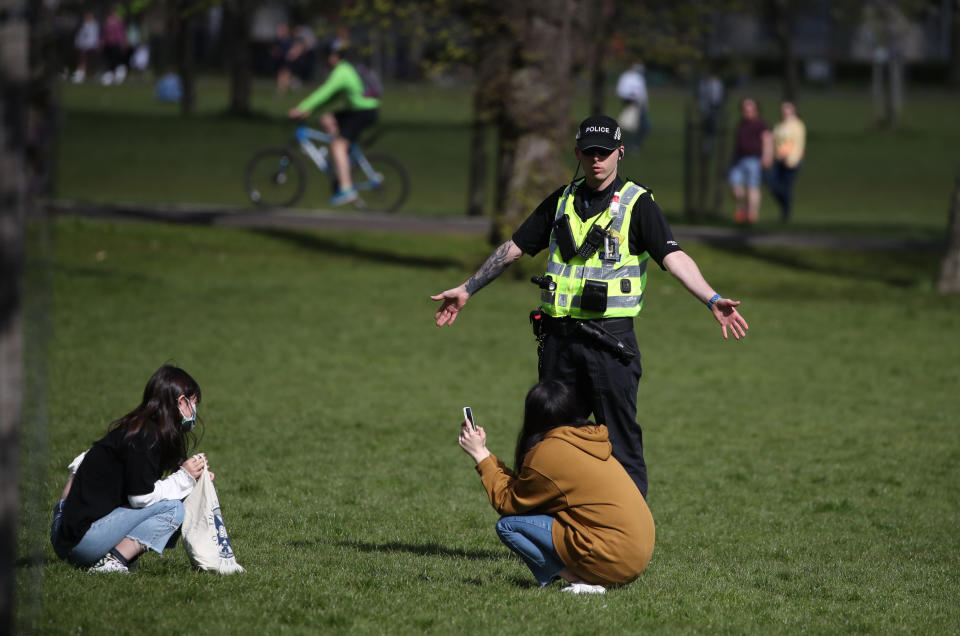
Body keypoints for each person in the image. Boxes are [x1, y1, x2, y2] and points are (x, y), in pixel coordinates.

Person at [432, 115, 749, 499]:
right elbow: (514, 248)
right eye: (589, 152)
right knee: (547, 441)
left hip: (609, 343)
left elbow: (674, 257)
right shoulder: (561, 200)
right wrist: (468, 288)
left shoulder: (638, 204)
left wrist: (712, 298)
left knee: (619, 441)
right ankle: (555, 528)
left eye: (605, 152)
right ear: (577, 153)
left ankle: (629, 536)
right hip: (558, 341)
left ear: (620, 152)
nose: (597, 159)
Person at [458, 380, 655, 594]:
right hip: (636, 557)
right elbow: (524, 488)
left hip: (611, 560)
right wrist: (485, 453)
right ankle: (589, 576)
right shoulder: (588, 438)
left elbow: (508, 501)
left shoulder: (548, 453)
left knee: (509, 525)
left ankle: (580, 582)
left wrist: (479, 455)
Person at [50, 365, 214, 573]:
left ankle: (109, 552)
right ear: (181, 401)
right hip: (82, 543)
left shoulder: (135, 429)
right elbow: (140, 498)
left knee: (84, 461)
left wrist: (193, 478)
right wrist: (185, 479)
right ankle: (114, 560)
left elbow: (82, 462)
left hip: (62, 533)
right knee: (174, 508)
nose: (195, 411)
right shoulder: (146, 438)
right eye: (194, 403)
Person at [288, 39, 380, 206]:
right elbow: (334, 97)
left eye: (327, 56)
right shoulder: (347, 69)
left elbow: (325, 92)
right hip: (361, 109)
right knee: (327, 118)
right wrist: (312, 110)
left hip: (363, 111)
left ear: (333, 57)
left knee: (338, 145)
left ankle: (347, 189)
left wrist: (301, 107)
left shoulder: (341, 72)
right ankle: (341, 160)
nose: (326, 60)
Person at [728, 98, 773, 224]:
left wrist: (767, 156)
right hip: (739, 159)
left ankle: (752, 214)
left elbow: (768, 141)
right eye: (745, 109)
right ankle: (743, 207)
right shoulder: (741, 124)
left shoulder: (761, 124)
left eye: (750, 109)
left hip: (754, 159)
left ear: (756, 110)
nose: (747, 112)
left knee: (753, 187)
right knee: (735, 184)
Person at [767, 100, 806, 222]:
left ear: (793, 110)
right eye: (783, 108)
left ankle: (786, 213)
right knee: (773, 185)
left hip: (791, 160)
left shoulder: (797, 125)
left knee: (786, 187)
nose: (784, 111)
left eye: (787, 108)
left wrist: (789, 155)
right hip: (778, 160)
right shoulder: (779, 125)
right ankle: (784, 205)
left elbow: (797, 143)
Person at [615, 61, 651, 149]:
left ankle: (634, 144)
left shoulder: (640, 77)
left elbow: (642, 93)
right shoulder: (626, 77)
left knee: (645, 126)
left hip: (640, 106)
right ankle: (629, 145)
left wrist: (645, 104)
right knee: (629, 126)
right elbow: (621, 91)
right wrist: (631, 96)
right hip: (631, 105)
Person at [72, 12, 100, 83]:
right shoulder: (82, 25)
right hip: (83, 46)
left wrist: (97, 44)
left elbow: (96, 35)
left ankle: (93, 74)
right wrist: (77, 43)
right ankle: (80, 75)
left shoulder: (95, 25)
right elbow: (79, 35)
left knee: (93, 61)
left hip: (92, 46)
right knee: (82, 61)